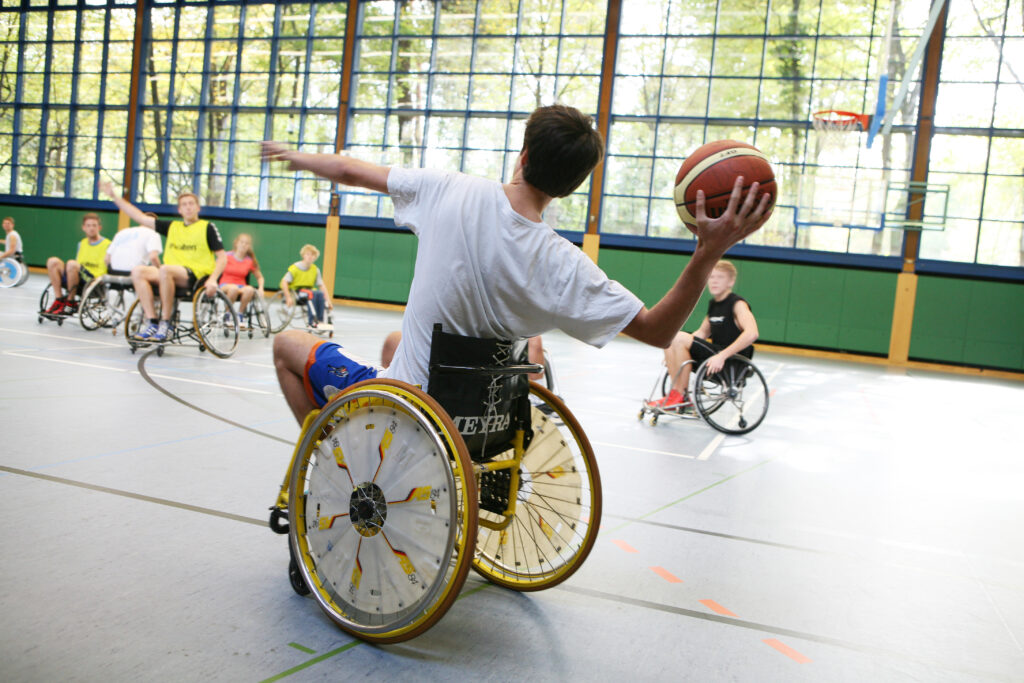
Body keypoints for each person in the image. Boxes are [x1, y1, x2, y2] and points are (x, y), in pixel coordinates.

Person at [262, 104, 772, 425]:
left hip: (411, 409)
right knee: (396, 342)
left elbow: (351, 170)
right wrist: (707, 251)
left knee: (289, 345)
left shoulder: (448, 189)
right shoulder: (564, 265)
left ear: (523, 154)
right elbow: (660, 331)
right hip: (481, 421)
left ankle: (329, 465)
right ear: (570, 187)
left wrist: (295, 156)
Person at [100, 181, 227, 342]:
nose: (188, 207)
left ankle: (165, 323)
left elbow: (222, 257)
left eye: (191, 204)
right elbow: (138, 216)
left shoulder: (207, 227)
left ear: (198, 208)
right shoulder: (172, 226)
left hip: (195, 275)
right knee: (138, 271)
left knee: (165, 269)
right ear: (180, 210)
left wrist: (213, 279)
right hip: (168, 272)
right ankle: (152, 321)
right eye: (184, 205)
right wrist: (113, 196)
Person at [647, 260, 759, 410]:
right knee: (671, 339)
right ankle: (675, 394)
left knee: (678, 337)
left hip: (729, 360)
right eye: (711, 277)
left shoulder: (737, 304)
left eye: (720, 277)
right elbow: (701, 333)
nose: (714, 281)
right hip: (714, 353)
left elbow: (752, 334)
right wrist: (672, 353)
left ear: (730, 281)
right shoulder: (715, 305)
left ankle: (681, 395)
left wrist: (722, 356)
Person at [44, 213, 110, 314]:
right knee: (52, 261)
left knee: (71, 264)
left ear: (99, 227)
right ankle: (59, 300)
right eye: (88, 225)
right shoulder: (82, 243)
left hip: (94, 281)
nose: (91, 228)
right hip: (79, 277)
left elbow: (110, 268)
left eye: (94, 225)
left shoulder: (108, 244)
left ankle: (70, 302)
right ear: (83, 228)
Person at [280, 244, 332, 329]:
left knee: (319, 293)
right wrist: (288, 297)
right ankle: (311, 322)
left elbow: (322, 286)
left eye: (312, 255)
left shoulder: (315, 269)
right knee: (310, 294)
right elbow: (284, 282)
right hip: (296, 292)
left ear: (315, 257)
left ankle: (320, 320)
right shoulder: (295, 268)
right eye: (308, 254)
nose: (310, 257)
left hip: (309, 291)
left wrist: (328, 300)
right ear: (303, 255)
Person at [218, 233, 264, 327]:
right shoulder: (226, 256)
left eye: (247, 243)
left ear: (249, 246)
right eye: (242, 242)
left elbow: (260, 277)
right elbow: (215, 269)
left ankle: (240, 315)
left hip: (241, 286)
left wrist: (261, 288)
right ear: (236, 243)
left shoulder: (249, 261)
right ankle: (227, 314)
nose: (244, 245)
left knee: (250, 289)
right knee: (233, 288)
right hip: (225, 285)